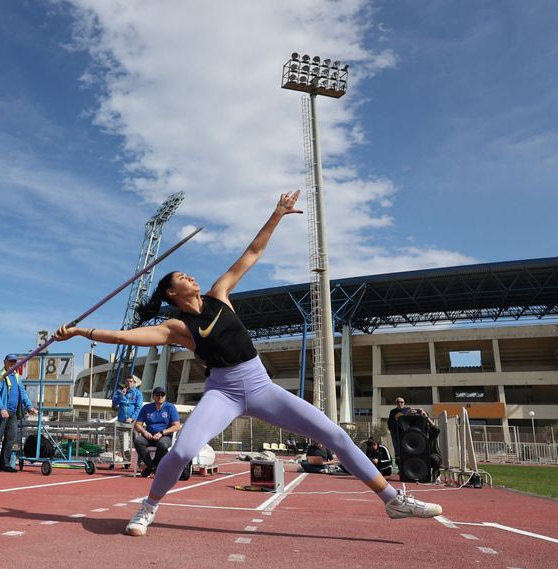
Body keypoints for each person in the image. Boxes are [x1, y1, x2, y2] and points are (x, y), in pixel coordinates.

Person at [56, 190, 442, 536]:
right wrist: (80, 333)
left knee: (336, 436)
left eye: (191, 275)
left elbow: (253, 253)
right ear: (173, 293)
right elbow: (125, 337)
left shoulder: (220, 294)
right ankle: (148, 507)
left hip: (260, 386)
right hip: (223, 392)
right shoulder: (175, 326)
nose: (192, 277)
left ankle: (393, 500)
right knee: (182, 452)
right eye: (183, 277)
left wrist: (277, 213)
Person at [0, 354, 38, 472]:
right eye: (10, 362)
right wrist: (1, 408)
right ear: (5, 362)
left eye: (14, 362)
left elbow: (23, 393)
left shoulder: (17, 377)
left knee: (11, 438)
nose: (13, 364)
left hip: (13, 413)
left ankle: (5, 463)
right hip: (1, 413)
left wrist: (29, 406)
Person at [132, 387, 182, 477]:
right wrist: (144, 432)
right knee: (138, 441)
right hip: (149, 436)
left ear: (165, 396)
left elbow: (177, 426)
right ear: (153, 397)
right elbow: (137, 425)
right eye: (157, 395)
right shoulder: (146, 408)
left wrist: (162, 433)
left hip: (165, 436)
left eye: (162, 395)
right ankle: (152, 467)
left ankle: (150, 467)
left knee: (162, 445)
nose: (160, 397)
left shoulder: (170, 407)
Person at [387, 397, 408, 462]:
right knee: (397, 449)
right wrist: (391, 429)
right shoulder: (393, 411)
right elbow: (389, 421)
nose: (400, 403)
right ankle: (399, 466)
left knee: (406, 448)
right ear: (396, 403)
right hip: (395, 433)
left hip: (405, 432)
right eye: (398, 402)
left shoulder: (407, 410)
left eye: (401, 402)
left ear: (404, 403)